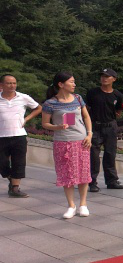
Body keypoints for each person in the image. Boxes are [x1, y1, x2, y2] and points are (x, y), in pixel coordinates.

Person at [40, 72, 94, 219]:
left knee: (83, 173)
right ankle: (71, 205)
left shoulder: (78, 98)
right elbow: (45, 123)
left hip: (81, 141)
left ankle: (83, 204)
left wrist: (89, 134)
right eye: (71, 82)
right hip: (62, 142)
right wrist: (57, 127)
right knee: (67, 173)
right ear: (61, 84)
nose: (74, 84)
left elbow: (86, 117)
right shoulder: (50, 103)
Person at [0, 74, 41, 198]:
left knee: (19, 162)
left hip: (19, 135)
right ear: (1, 85)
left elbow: (38, 108)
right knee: (2, 163)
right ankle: (12, 179)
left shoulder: (23, 97)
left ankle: (15, 189)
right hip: (1, 136)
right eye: (8, 83)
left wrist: (27, 118)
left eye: (14, 83)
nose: (12, 85)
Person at [85, 68, 123, 192]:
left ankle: (112, 181)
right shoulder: (93, 93)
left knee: (110, 154)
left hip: (110, 127)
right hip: (95, 126)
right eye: (102, 76)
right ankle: (92, 182)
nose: (104, 78)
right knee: (93, 155)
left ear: (114, 79)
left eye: (107, 76)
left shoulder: (117, 95)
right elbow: (86, 109)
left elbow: (119, 110)